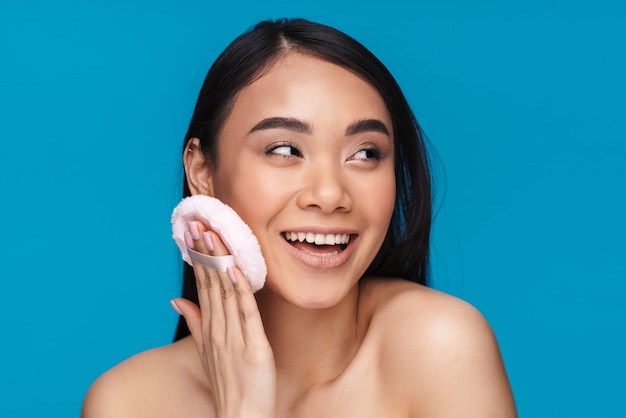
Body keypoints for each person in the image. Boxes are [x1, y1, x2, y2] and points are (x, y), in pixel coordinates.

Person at [82, 18, 516, 417]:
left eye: (366, 153)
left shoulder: (440, 347)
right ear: (203, 172)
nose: (329, 195)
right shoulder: (128, 401)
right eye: (284, 150)